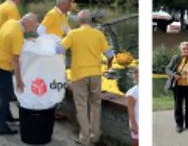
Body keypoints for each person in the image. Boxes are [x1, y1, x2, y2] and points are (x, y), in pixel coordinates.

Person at [56, 10, 115, 146]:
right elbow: (110, 54)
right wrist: (109, 65)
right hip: (95, 74)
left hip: (79, 75)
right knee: (96, 105)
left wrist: (61, 39)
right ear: (90, 21)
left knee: (81, 106)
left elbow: (59, 49)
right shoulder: (98, 34)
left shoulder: (73, 34)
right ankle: (95, 136)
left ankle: (85, 138)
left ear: (78, 21)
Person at [0, 12, 39, 136]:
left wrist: (25, 40)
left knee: (1, 93)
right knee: (5, 96)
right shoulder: (17, 34)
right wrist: (19, 81)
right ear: (26, 23)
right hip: (2, 66)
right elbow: (15, 61)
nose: (32, 29)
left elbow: (9, 39)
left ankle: (8, 117)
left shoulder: (11, 22)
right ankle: (1, 127)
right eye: (33, 27)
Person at [168, 40, 188, 132]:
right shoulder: (176, 58)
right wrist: (173, 75)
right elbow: (167, 69)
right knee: (178, 105)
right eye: (184, 49)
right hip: (178, 86)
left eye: (187, 49)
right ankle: (179, 124)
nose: (186, 50)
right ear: (181, 49)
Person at [125, 73, 143, 144]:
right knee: (136, 142)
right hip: (136, 124)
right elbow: (130, 109)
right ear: (136, 77)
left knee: (140, 140)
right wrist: (134, 125)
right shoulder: (133, 92)